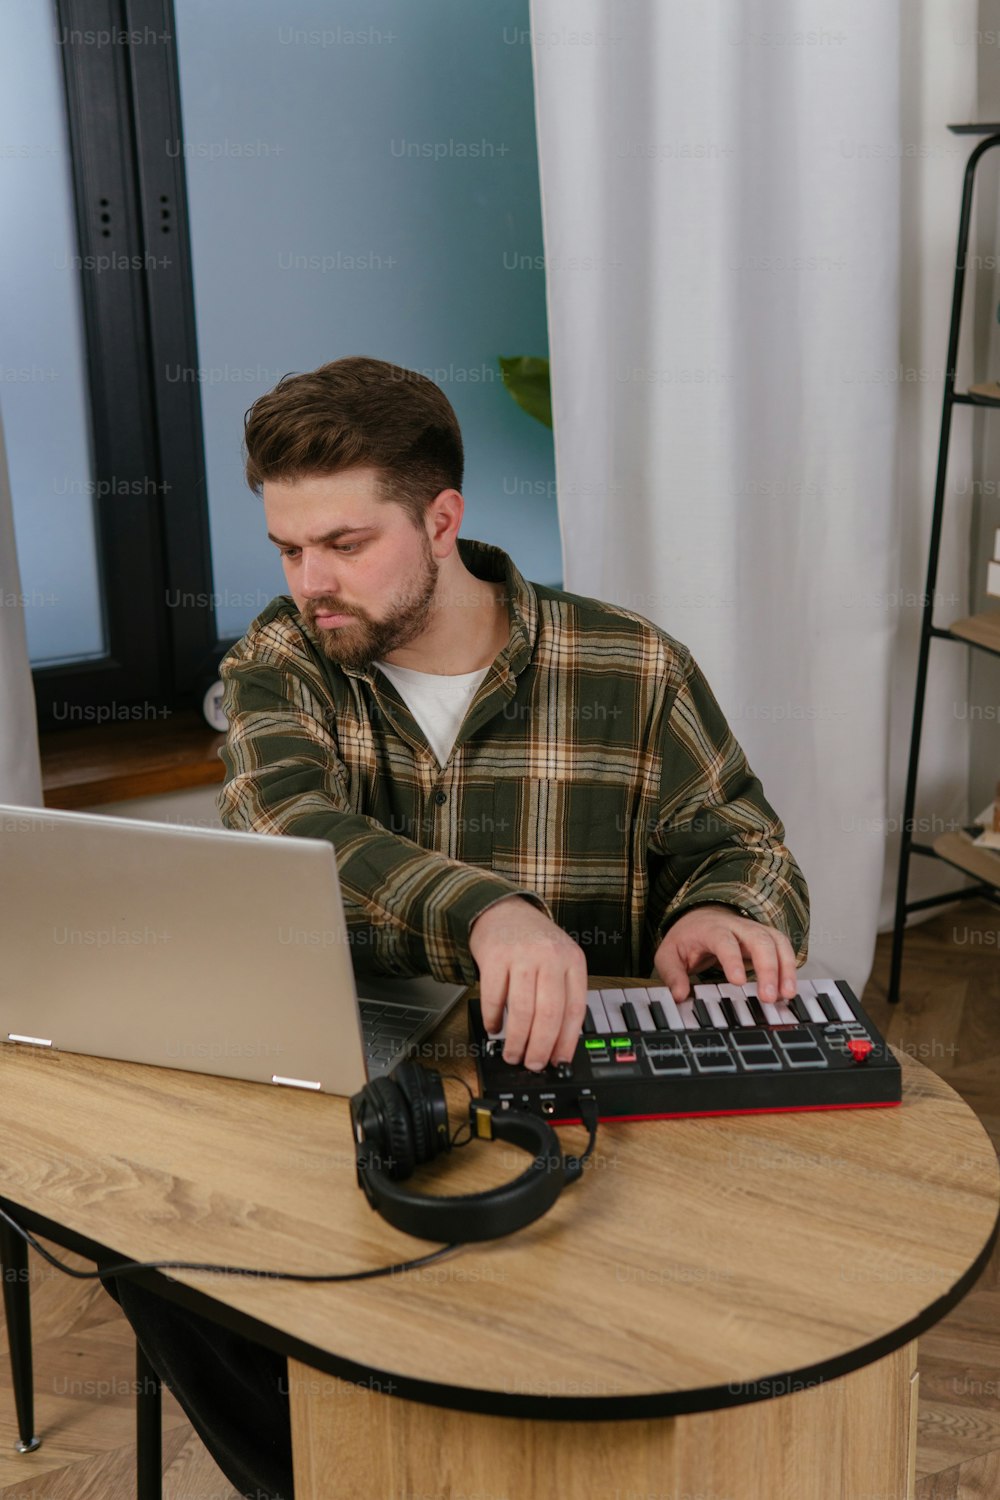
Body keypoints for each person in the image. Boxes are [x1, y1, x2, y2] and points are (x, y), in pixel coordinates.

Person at [104, 355, 809, 1498]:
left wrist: (724, 909)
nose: (309, 582)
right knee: (142, 1234)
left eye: (344, 544)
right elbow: (291, 815)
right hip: (352, 1095)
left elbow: (744, 844)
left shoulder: (630, 665)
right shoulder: (282, 662)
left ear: (442, 520)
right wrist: (493, 908)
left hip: (579, 1110)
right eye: (288, 548)